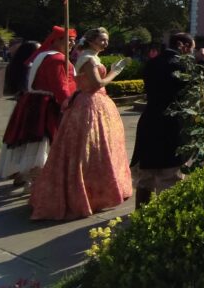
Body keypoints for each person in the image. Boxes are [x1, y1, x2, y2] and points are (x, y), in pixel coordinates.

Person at [30, 27, 132, 219]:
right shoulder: (88, 58)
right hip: (89, 104)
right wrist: (115, 72)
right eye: (102, 40)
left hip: (94, 103)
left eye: (107, 40)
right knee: (88, 149)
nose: (105, 43)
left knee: (96, 149)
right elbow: (97, 84)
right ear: (91, 41)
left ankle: (98, 191)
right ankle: (85, 194)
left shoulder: (90, 56)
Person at [0, 27, 77, 191]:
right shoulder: (58, 60)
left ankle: (22, 175)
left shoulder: (42, 55)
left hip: (31, 101)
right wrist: (70, 104)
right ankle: (34, 179)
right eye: (68, 40)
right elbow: (60, 87)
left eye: (73, 41)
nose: (72, 44)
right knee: (41, 142)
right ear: (56, 40)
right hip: (47, 104)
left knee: (29, 140)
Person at [132, 32, 199, 208]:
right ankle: (165, 216)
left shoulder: (152, 63)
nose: (191, 52)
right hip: (173, 123)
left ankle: (141, 215)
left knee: (146, 175)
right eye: (191, 48)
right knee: (170, 175)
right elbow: (202, 90)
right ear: (182, 46)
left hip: (150, 119)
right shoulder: (183, 66)